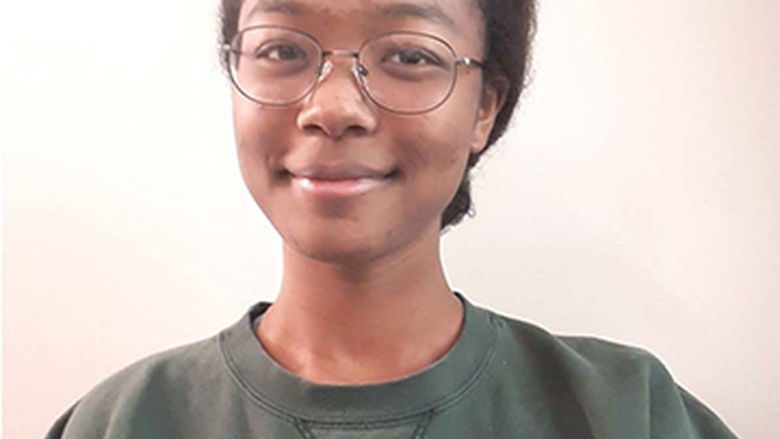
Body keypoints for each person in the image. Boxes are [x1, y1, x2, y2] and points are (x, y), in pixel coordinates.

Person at [46, 0, 738, 437]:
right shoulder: (121, 421)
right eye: (284, 50)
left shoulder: (628, 413)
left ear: (486, 107)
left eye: (409, 54)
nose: (334, 106)